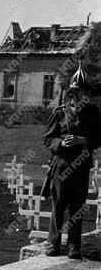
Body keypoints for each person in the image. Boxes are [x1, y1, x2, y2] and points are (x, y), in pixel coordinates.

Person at [43, 62, 100, 259]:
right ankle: (53, 244)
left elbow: (99, 138)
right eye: (80, 92)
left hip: (82, 166)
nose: (84, 96)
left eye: (86, 92)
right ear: (73, 93)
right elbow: (47, 138)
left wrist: (81, 140)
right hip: (61, 166)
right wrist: (61, 143)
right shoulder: (59, 113)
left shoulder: (93, 114)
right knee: (58, 207)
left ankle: (74, 246)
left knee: (77, 208)